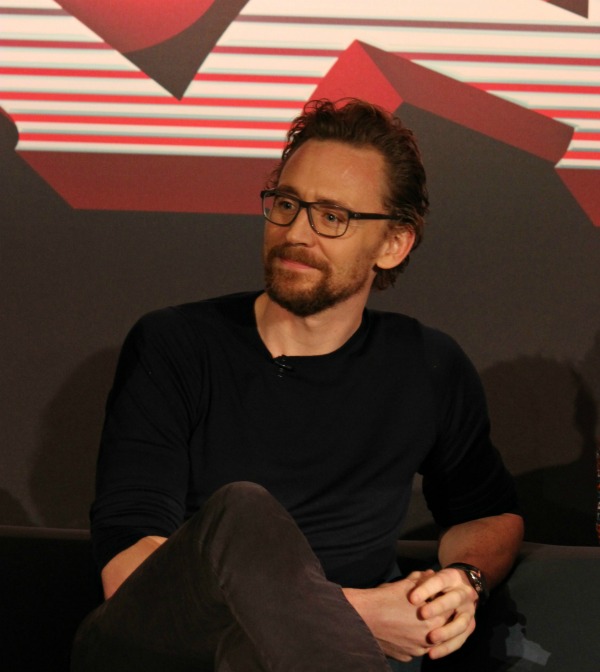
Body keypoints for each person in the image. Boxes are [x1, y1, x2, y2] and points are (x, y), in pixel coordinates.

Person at [71, 98, 523, 671]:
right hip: (176, 651)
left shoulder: (426, 366)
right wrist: (357, 614)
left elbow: (488, 515)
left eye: (332, 217)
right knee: (242, 512)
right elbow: (131, 575)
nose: (296, 233)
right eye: (287, 205)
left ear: (393, 244)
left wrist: (464, 580)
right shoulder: (177, 344)